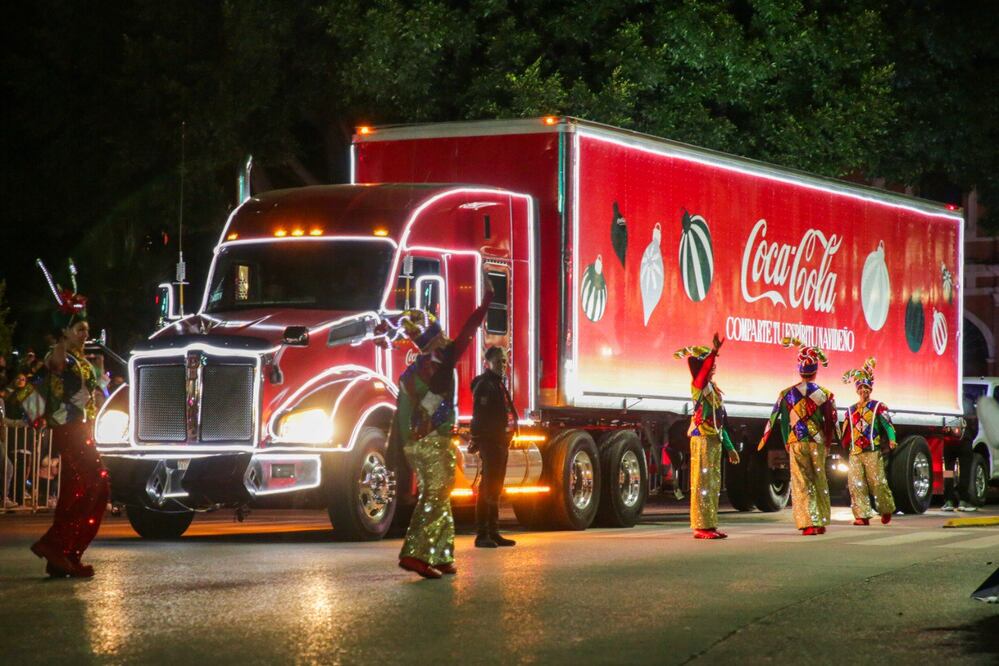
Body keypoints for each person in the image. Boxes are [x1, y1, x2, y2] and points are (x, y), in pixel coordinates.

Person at [393, 274, 493, 579]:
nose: (448, 337)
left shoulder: (411, 372)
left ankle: (443, 554)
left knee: (440, 494)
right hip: (434, 441)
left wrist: (404, 448)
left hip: (416, 444)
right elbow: (469, 331)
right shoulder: (443, 360)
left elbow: (402, 414)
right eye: (441, 332)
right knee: (435, 497)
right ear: (435, 336)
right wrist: (486, 302)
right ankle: (415, 554)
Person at [28, 261, 110, 577]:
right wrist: (62, 341)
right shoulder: (59, 355)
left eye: (87, 329)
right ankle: (57, 545)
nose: (86, 334)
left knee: (80, 490)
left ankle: (64, 555)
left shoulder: (84, 362)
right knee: (95, 484)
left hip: (82, 429)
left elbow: (95, 393)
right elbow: (54, 364)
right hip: (69, 430)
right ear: (65, 331)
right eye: (80, 329)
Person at [758, 337, 837, 536]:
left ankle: (806, 522)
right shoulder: (825, 394)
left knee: (801, 481)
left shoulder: (787, 394)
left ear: (799, 370)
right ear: (816, 370)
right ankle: (819, 521)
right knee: (819, 479)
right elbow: (830, 422)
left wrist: (786, 441)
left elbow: (782, 421)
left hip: (795, 442)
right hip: (817, 442)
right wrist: (828, 442)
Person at [674, 334, 740, 539]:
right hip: (701, 438)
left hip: (714, 439)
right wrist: (714, 352)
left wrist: (730, 447)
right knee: (702, 483)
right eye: (710, 364)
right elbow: (703, 374)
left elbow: (721, 422)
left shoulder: (713, 389)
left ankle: (710, 525)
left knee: (712, 484)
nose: (713, 367)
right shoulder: (698, 386)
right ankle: (700, 527)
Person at [470, 346, 518, 548]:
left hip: (500, 442)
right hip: (490, 442)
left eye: (505, 361)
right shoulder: (485, 385)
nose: (503, 365)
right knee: (488, 488)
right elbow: (479, 417)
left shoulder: (498, 384)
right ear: (487, 363)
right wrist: (478, 439)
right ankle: (482, 534)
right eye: (499, 361)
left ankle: (494, 531)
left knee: (496, 487)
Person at [840, 358, 896, 525]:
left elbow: (888, 425)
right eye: (861, 388)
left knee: (877, 482)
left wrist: (892, 439)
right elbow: (846, 431)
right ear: (857, 390)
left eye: (866, 388)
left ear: (870, 389)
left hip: (872, 450)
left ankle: (886, 509)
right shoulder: (850, 410)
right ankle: (862, 515)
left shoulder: (878, 406)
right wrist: (843, 445)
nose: (864, 391)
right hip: (855, 452)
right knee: (856, 484)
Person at [942, 440, 977, 512]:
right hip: (964, 442)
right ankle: (963, 502)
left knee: (948, 471)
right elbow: (974, 429)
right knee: (965, 471)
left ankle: (949, 501)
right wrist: (969, 436)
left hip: (949, 442)